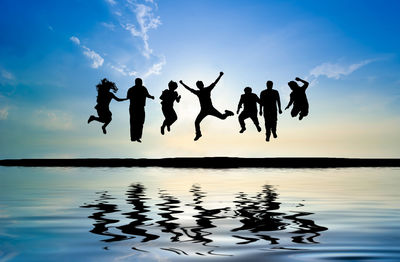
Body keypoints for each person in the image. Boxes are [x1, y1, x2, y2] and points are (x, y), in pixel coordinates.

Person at [179, 72, 234, 141]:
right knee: (196, 122)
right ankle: (198, 134)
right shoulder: (199, 92)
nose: (199, 86)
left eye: (199, 85)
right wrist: (182, 83)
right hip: (204, 111)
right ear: (198, 86)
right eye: (198, 85)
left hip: (210, 109)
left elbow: (215, 82)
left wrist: (220, 76)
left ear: (202, 85)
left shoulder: (207, 89)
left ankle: (227, 113)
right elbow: (189, 89)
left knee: (222, 117)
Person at [127, 78, 155, 143]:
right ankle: (134, 137)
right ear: (136, 82)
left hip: (140, 107)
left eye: (141, 82)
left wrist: (151, 97)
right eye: (140, 82)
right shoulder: (132, 89)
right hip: (134, 107)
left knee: (140, 122)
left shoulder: (142, 88)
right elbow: (128, 97)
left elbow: (147, 95)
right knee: (134, 122)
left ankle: (137, 137)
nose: (141, 83)